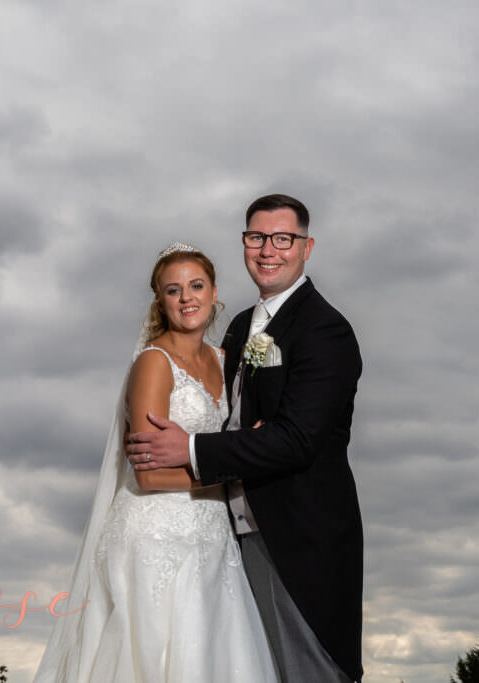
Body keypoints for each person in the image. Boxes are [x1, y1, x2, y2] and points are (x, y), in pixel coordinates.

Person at [127, 194, 364, 683]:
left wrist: (191, 448)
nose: (268, 250)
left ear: (307, 247)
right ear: (244, 243)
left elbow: (296, 440)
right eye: (256, 237)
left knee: (309, 671)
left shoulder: (325, 330)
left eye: (283, 239)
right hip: (234, 537)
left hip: (299, 538)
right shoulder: (239, 329)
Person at [33, 244, 278, 683]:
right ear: (160, 302)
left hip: (213, 539)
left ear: (214, 292)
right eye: (173, 290)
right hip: (156, 538)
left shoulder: (225, 362)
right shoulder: (153, 363)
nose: (187, 297)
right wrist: (234, 475)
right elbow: (148, 474)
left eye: (196, 285)